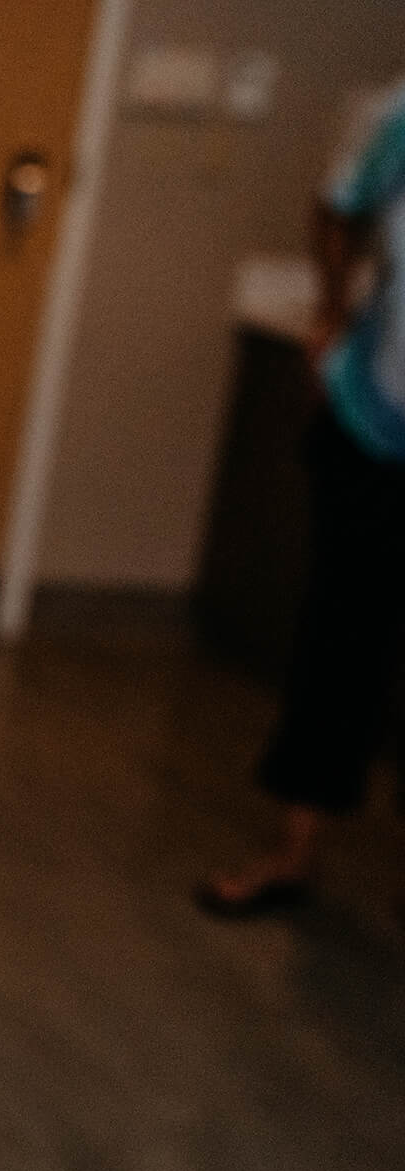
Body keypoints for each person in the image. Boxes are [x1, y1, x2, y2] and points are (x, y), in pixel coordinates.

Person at [201, 80, 405, 917]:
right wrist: (329, 312)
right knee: (339, 637)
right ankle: (293, 853)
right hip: (374, 421)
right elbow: (337, 206)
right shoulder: (397, 117)